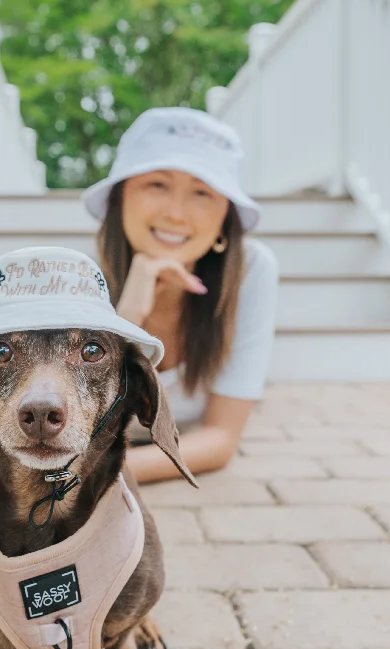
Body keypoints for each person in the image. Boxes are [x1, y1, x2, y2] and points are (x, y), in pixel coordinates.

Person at [81, 107, 278, 483]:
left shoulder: (252, 271)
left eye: (202, 192)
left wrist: (86, 476)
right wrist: (125, 322)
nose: (176, 213)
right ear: (121, 197)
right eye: (157, 184)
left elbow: (220, 439)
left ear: (226, 217)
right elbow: (80, 428)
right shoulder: (78, 276)